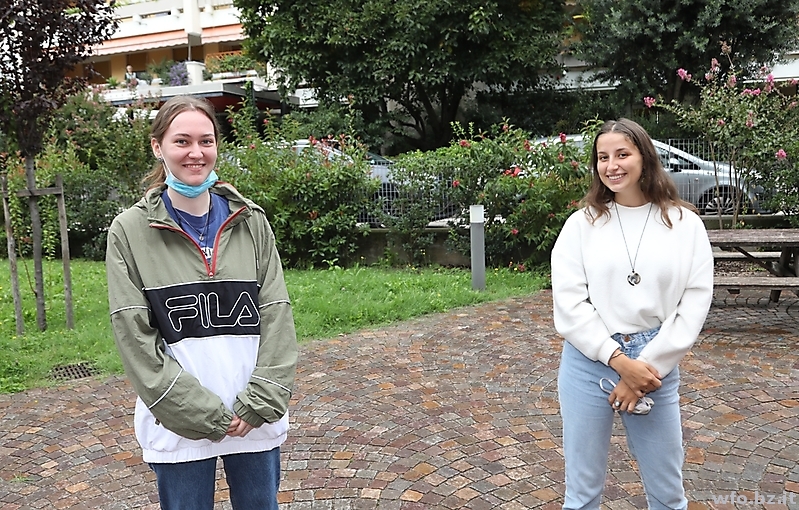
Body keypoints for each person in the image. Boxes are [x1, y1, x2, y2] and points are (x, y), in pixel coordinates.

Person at [106, 95, 298, 510]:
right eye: (182, 141)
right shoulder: (129, 231)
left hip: (253, 420)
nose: (196, 152)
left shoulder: (252, 222)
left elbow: (277, 316)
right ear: (157, 147)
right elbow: (135, 339)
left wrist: (260, 401)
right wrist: (200, 413)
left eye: (206, 141)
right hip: (179, 426)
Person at [551, 118, 714, 509]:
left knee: (668, 494)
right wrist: (618, 361)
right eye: (603, 157)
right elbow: (569, 302)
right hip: (589, 362)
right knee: (581, 494)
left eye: (622, 154)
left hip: (655, 365)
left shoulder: (684, 224)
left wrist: (646, 367)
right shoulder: (581, 224)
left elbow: (694, 300)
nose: (612, 166)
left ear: (645, 157)